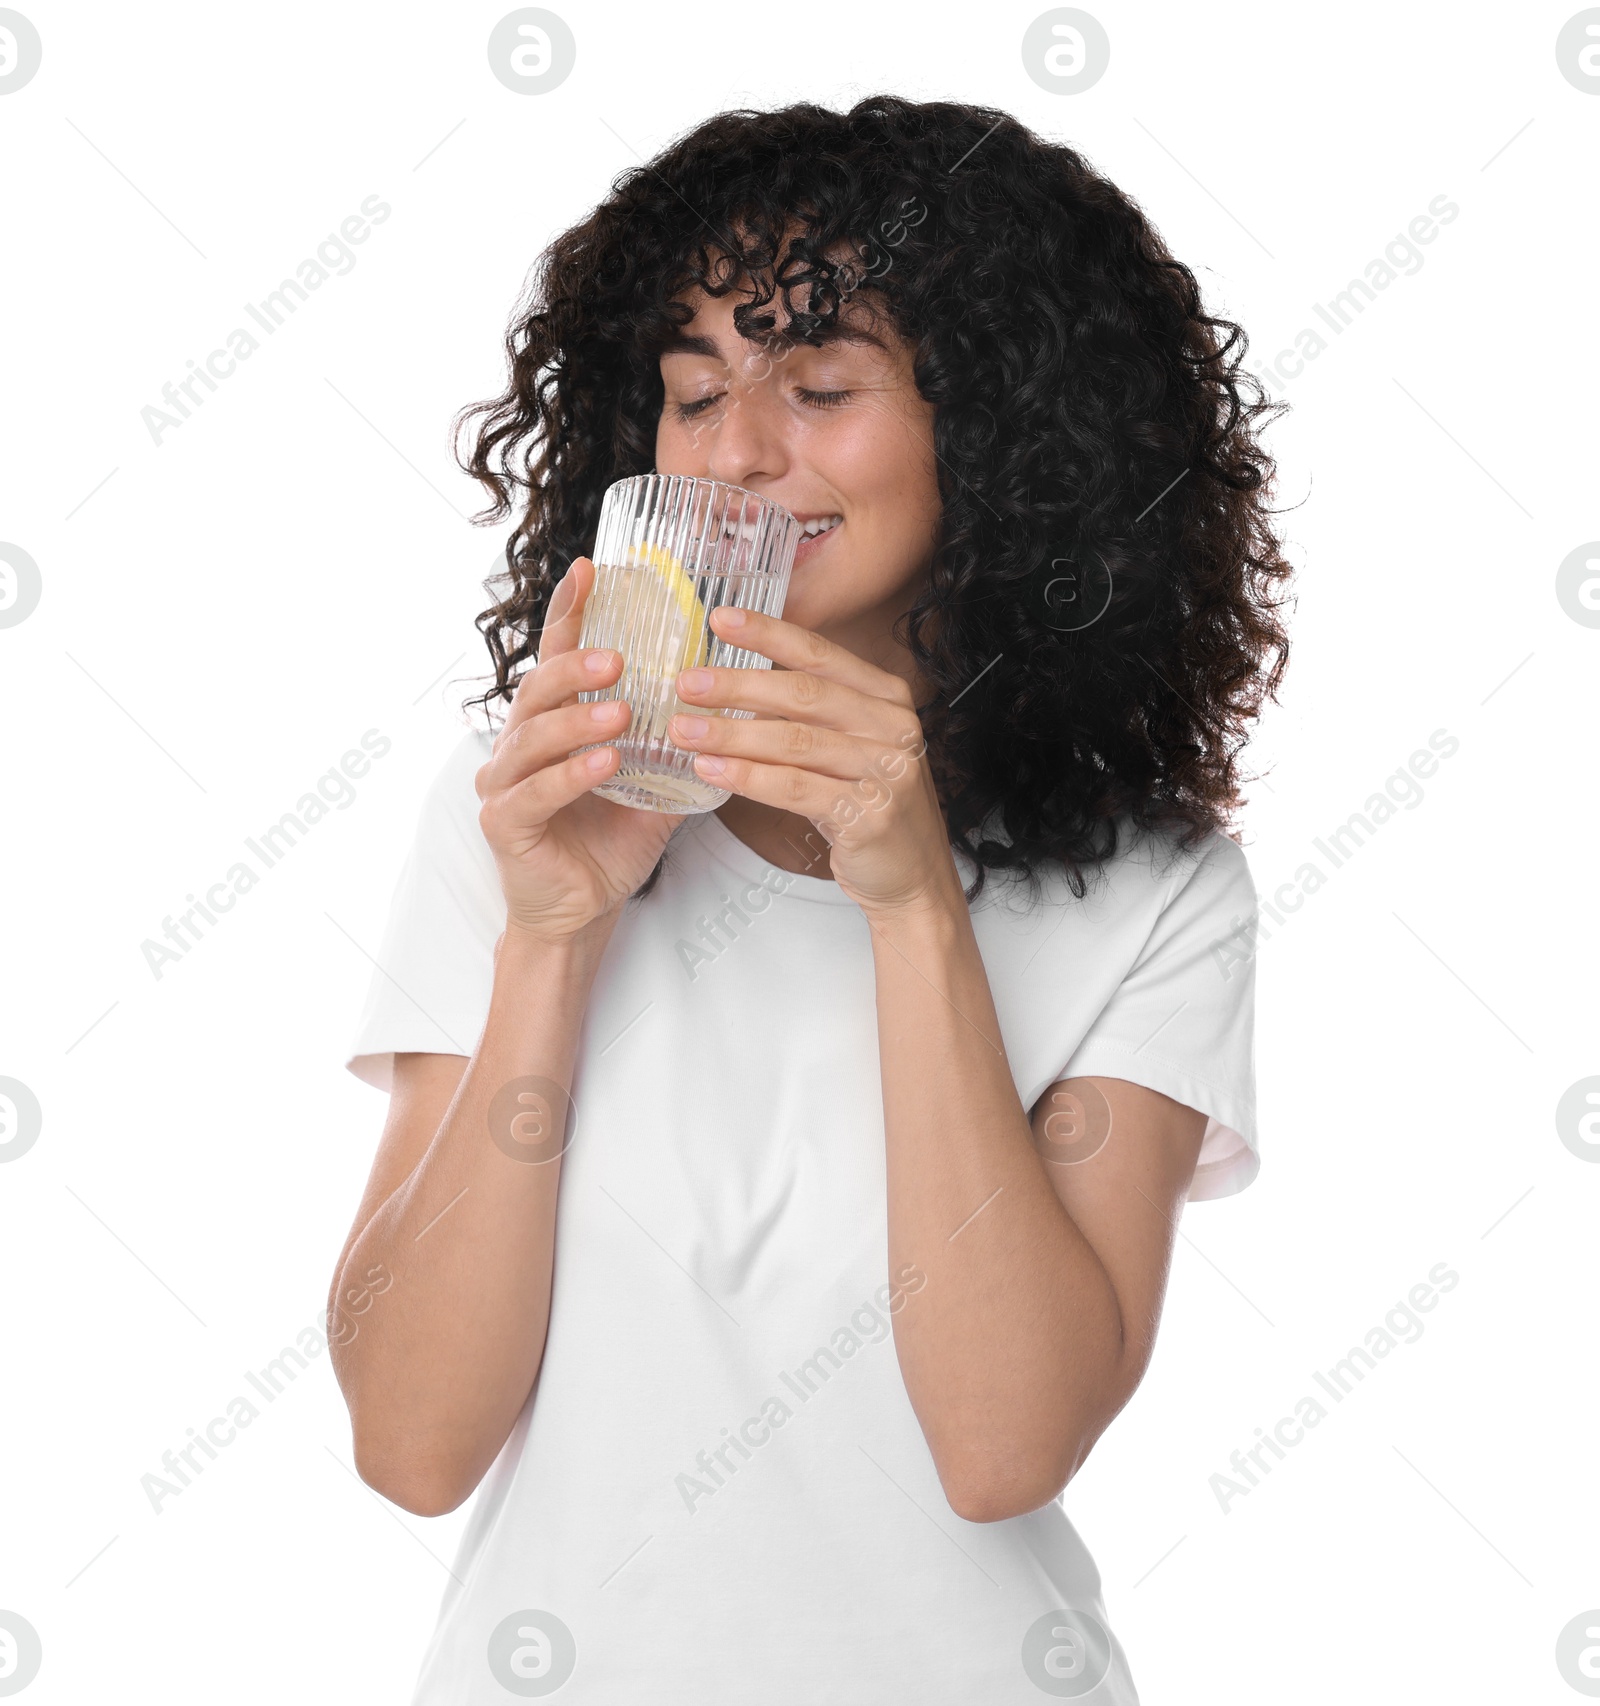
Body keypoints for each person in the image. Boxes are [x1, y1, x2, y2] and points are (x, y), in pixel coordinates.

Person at [329, 94, 1292, 1704]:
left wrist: (913, 903)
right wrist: (553, 940)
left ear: (999, 428)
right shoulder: (523, 814)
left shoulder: (1156, 887)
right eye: (694, 392)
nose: (738, 451)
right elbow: (412, 1444)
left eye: (820, 385)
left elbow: (1003, 1444)